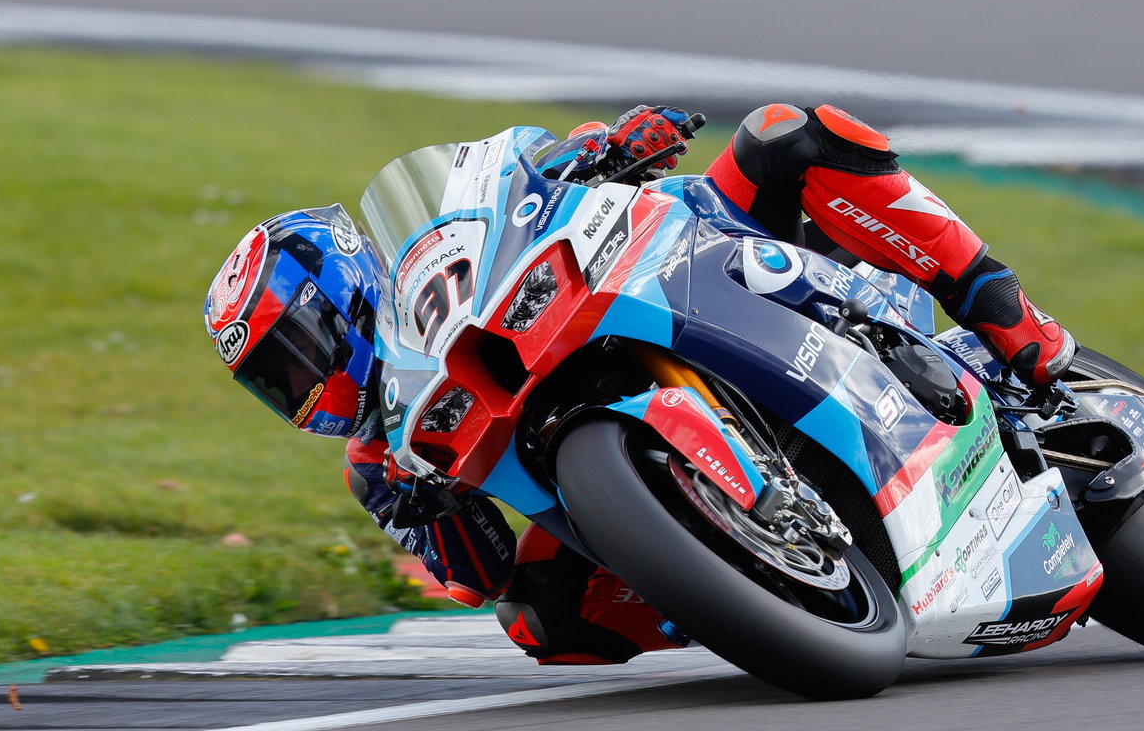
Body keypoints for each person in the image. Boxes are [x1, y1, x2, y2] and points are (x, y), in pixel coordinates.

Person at [204, 104, 1076, 665]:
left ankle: (1007, 314)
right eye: (278, 387)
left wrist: (615, 145)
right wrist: (431, 505)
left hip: (705, 256)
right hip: (592, 452)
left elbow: (532, 170)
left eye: (296, 357)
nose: (304, 389)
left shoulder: (442, 256)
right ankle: (750, 580)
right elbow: (480, 572)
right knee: (540, 619)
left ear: (345, 292)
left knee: (787, 132)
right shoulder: (378, 459)